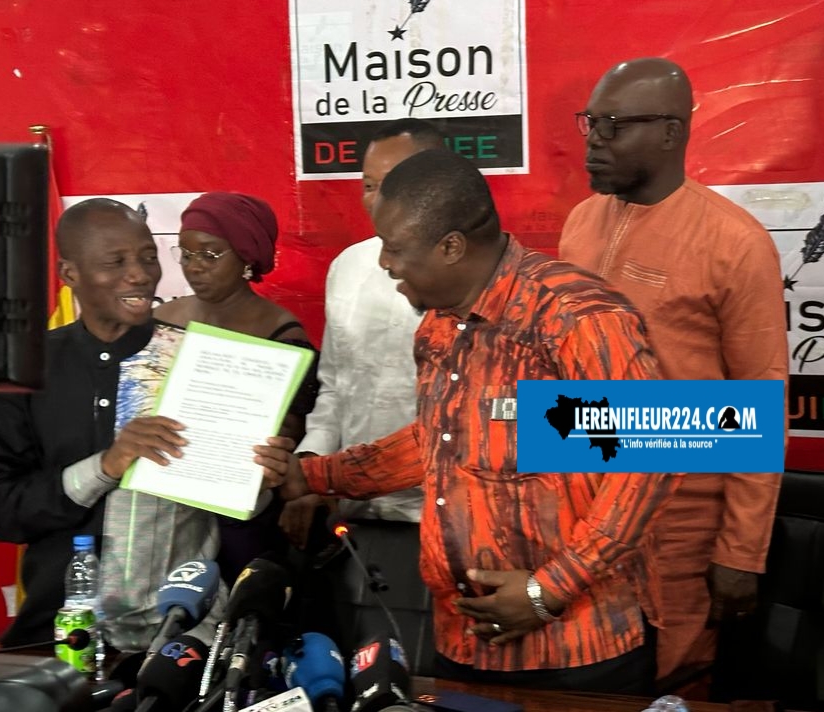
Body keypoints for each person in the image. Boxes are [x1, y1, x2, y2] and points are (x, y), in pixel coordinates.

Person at [255, 149, 679, 694]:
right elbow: (440, 439)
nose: (384, 263)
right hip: (464, 640)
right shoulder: (440, 324)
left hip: (578, 648)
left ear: (451, 247)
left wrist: (549, 590)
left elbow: (646, 466)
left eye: (395, 247)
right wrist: (311, 476)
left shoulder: (577, 317)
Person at [558, 56, 788, 683]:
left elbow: (760, 402)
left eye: (613, 125)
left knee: (674, 685)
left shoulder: (735, 243)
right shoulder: (579, 224)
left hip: (680, 524)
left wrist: (741, 552)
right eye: (590, 123)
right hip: (579, 519)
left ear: (670, 132)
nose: (594, 140)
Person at [0, 199, 216, 648]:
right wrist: (105, 466)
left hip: (172, 638)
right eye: (116, 262)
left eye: (147, 257)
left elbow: (238, 505)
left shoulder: (200, 361)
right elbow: (2, 511)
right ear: (69, 274)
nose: (140, 275)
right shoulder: (23, 371)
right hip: (56, 631)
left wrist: (262, 478)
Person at [155, 192, 320, 584]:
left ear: (247, 257)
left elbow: (290, 431)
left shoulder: (283, 334)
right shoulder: (161, 320)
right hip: (162, 507)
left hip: (240, 513)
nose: (194, 267)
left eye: (210, 255)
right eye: (186, 254)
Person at [298, 119, 447, 521]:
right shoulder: (348, 268)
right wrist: (312, 468)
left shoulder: (519, 296)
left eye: (395, 184)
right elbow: (336, 386)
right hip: (356, 512)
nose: (379, 200)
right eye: (369, 185)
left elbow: (582, 439)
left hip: (452, 520)